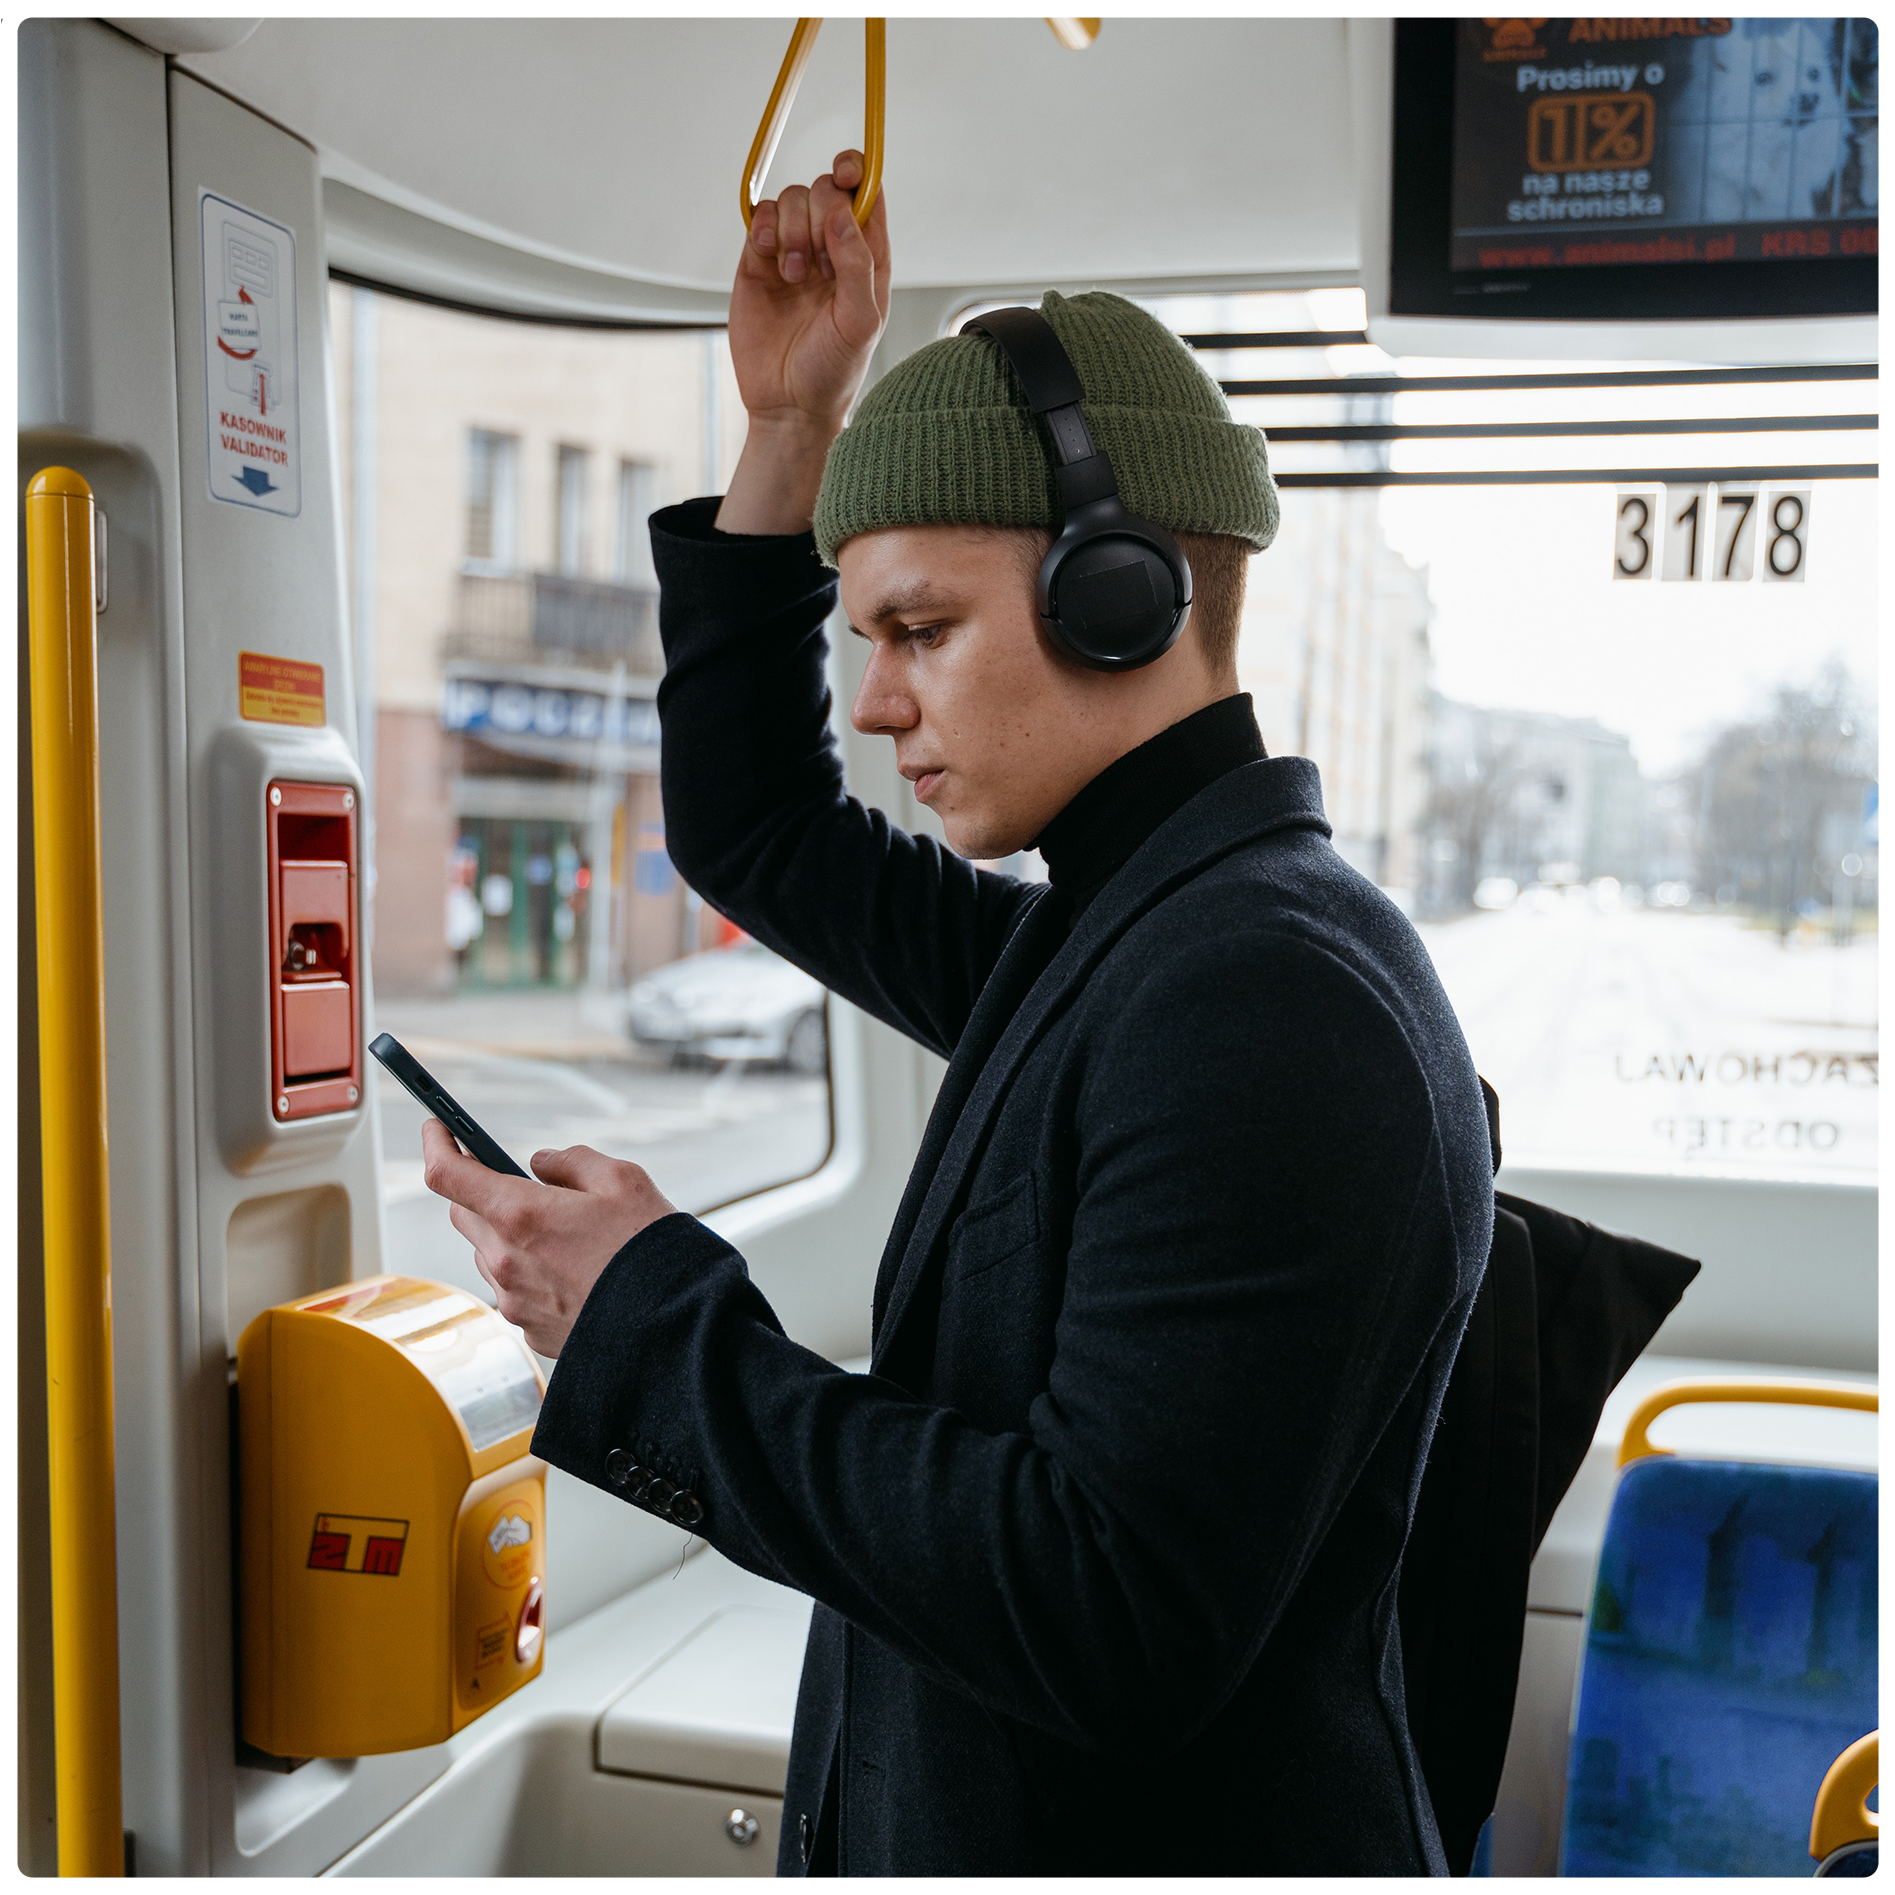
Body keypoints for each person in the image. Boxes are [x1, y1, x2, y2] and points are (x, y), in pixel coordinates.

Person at [421, 151, 1496, 1876]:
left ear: (1121, 595)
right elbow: (761, 827)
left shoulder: (1267, 1002)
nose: (876, 700)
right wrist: (789, 429)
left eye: (921, 628)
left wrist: (650, 1321)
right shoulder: (1115, 942)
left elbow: (1104, 1610)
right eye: (865, 637)